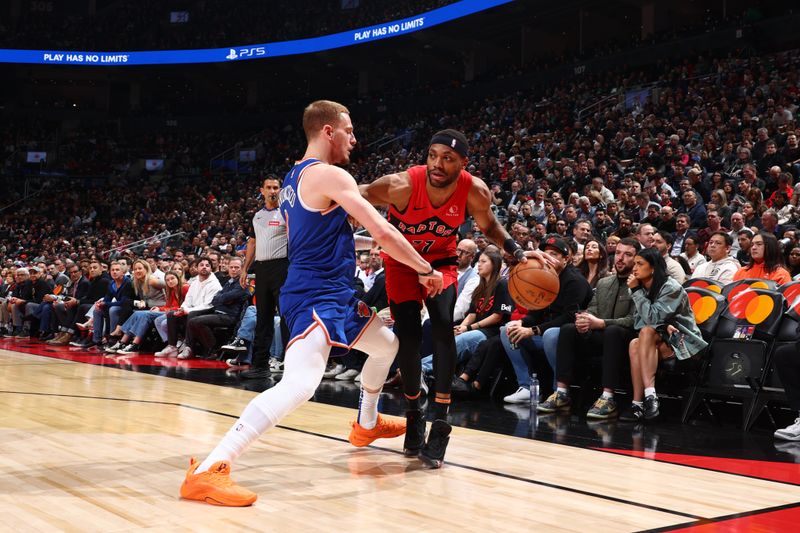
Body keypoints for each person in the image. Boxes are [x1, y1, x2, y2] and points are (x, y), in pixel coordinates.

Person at [180, 100, 443, 506]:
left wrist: (366, 244)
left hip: (334, 291)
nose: (355, 138)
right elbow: (382, 228)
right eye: (350, 130)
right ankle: (209, 469)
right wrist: (425, 267)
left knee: (386, 347)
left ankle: (366, 424)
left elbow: (326, 235)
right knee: (301, 384)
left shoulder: (293, 179)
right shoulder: (331, 174)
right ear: (328, 132)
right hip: (315, 292)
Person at [359, 128, 553, 468]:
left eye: (447, 158)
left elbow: (490, 226)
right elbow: (354, 195)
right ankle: (413, 411)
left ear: (463, 163)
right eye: (433, 155)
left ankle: (441, 420)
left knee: (443, 328)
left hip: (442, 262)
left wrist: (518, 253)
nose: (437, 163)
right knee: (408, 337)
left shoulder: (473, 190)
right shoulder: (401, 184)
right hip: (402, 263)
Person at [534, 238, 639, 418]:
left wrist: (602, 323)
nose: (620, 258)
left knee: (613, 331)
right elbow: (592, 310)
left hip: (626, 340)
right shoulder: (604, 283)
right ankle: (562, 393)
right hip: (600, 335)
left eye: (628, 255)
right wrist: (584, 320)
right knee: (568, 329)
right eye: (618, 253)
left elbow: (634, 321)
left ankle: (608, 397)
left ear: (636, 259)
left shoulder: (640, 286)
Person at [620, 248, 707, 422]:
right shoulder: (641, 288)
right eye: (634, 263)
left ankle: (648, 396)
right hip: (656, 339)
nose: (634, 268)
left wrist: (637, 294)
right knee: (635, 343)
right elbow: (639, 322)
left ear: (652, 268)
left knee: (645, 333)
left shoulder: (670, 287)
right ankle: (639, 403)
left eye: (640, 264)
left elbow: (652, 318)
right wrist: (663, 325)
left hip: (683, 342)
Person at [240, 175, 291, 380]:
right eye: (268, 187)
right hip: (261, 269)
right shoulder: (257, 216)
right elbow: (252, 243)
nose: (272, 191)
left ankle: (292, 366)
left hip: (282, 267)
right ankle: (260, 365)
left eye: (275, 187)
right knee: (263, 318)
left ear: (280, 190)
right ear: (261, 190)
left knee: (286, 318)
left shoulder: (287, 213)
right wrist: (245, 268)